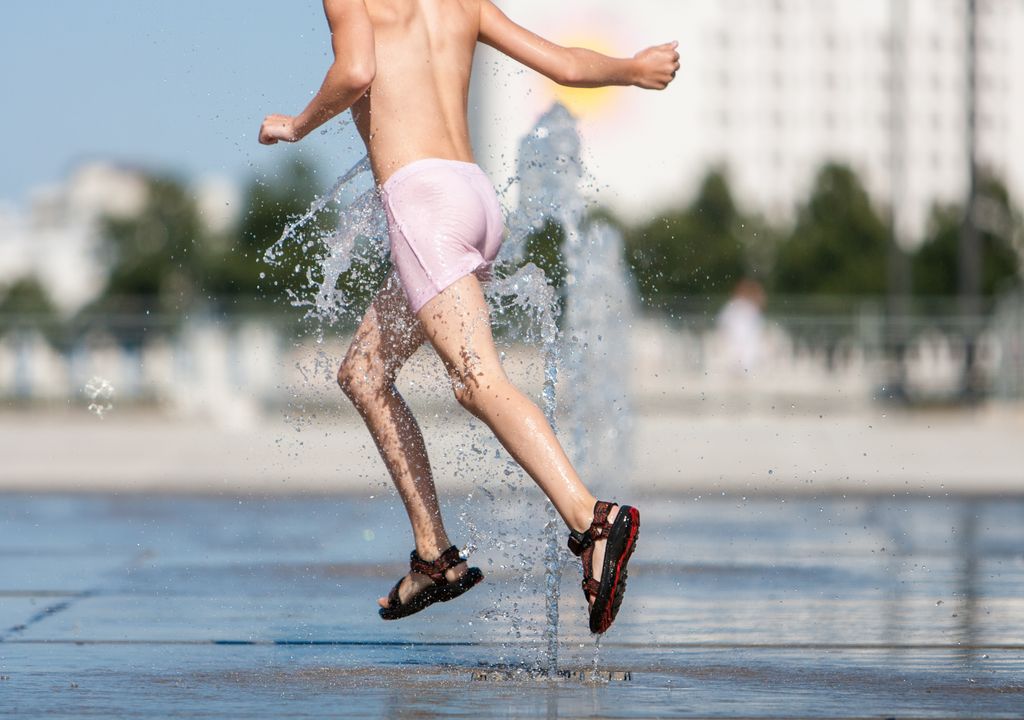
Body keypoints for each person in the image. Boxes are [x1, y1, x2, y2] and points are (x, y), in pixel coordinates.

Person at [259, 0, 678, 634]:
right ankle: (435, 557)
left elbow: (354, 72)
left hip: (423, 203)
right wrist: (631, 68)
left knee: (477, 381)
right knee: (365, 373)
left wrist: (296, 125)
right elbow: (564, 63)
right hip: (473, 199)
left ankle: (594, 519)